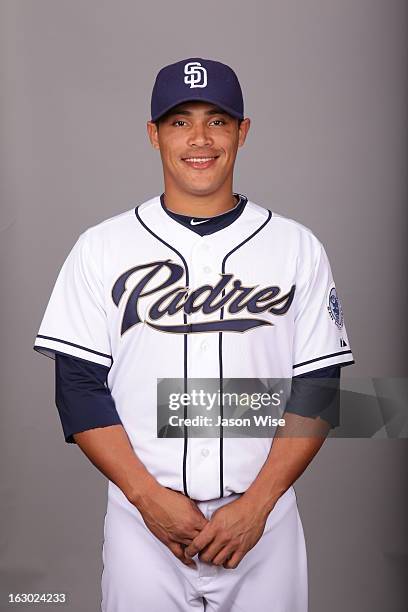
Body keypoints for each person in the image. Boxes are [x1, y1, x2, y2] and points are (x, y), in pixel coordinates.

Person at [33, 57, 355, 611]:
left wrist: (257, 506)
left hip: (264, 524)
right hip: (143, 525)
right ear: (154, 134)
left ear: (242, 132)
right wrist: (147, 499)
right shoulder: (102, 247)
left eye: (218, 120)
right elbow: (79, 389)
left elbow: (319, 387)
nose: (199, 138)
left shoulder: (296, 247)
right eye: (180, 121)